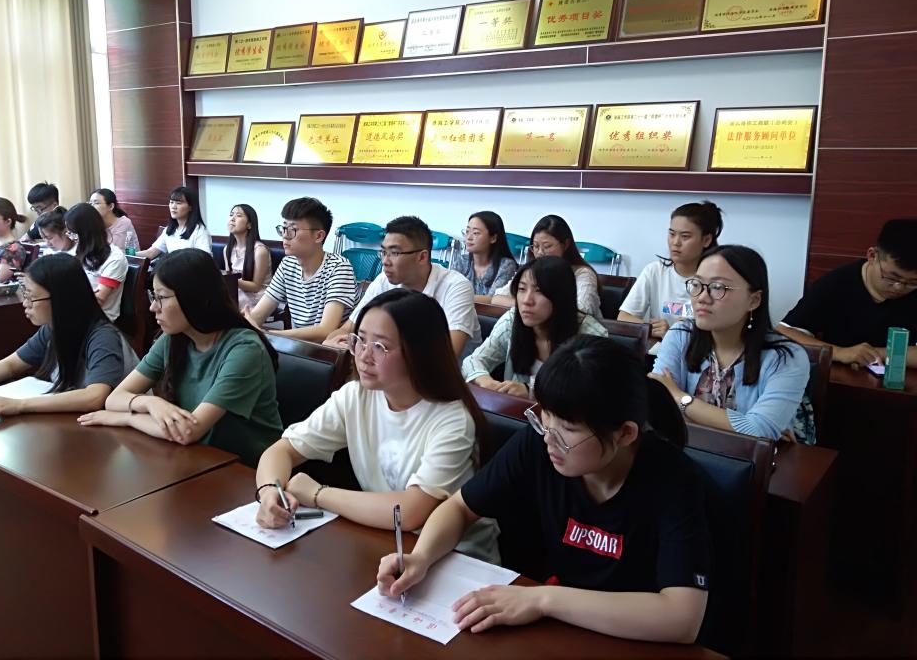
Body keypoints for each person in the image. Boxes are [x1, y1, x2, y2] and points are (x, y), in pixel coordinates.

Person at [377, 335, 710, 644]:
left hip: (632, 638)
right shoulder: (541, 443)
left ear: (624, 434)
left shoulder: (674, 480)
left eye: (567, 429)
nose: (549, 438)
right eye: (545, 418)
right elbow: (460, 507)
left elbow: (682, 617)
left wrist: (542, 599)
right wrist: (421, 557)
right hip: (559, 629)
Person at [255, 289, 497, 560]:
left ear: (419, 353)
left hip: (458, 559)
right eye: (360, 340)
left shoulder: (452, 419)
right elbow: (282, 450)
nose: (364, 356)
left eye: (380, 346)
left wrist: (317, 494)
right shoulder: (356, 395)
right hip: (388, 543)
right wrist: (269, 491)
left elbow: (410, 511)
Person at [81, 249, 282, 466]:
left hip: (245, 471)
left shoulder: (245, 349)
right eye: (153, 296)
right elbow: (114, 399)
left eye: (161, 297)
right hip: (193, 458)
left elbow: (187, 431)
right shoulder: (173, 338)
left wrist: (127, 418)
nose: (153, 307)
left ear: (195, 298)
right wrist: (150, 402)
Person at [0, 254, 138, 420]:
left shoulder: (102, 336)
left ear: (61, 300)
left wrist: (20, 405)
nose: (25, 304)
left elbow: (95, 396)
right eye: (25, 294)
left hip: (123, 427)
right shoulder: (54, 328)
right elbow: (12, 364)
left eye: (31, 297)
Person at [650, 245, 809, 440]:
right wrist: (744, 427)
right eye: (697, 284)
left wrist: (679, 397)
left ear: (754, 300)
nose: (702, 298)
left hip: (746, 459)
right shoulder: (681, 335)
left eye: (718, 287)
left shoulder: (786, 357)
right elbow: (656, 407)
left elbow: (760, 431)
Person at [324, 216, 479, 357]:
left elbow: (448, 355)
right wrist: (331, 343)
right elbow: (347, 328)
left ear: (422, 257)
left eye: (395, 253)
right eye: (383, 252)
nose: (385, 261)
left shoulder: (456, 287)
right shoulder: (384, 280)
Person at [778, 218, 917, 368]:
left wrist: (871, 354)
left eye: (912, 282)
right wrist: (839, 352)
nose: (899, 287)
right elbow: (785, 332)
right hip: (839, 377)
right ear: (872, 256)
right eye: (891, 277)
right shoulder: (837, 283)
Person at [462, 257, 607, 398]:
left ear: (561, 296)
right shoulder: (512, 319)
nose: (527, 300)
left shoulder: (591, 336)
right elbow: (473, 361)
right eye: (522, 289)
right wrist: (486, 381)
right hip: (515, 412)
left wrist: (531, 390)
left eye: (539, 291)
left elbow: (585, 391)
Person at [245, 197, 356, 342]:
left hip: (328, 350)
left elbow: (326, 330)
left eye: (293, 230)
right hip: (298, 347)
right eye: (283, 228)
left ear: (318, 236)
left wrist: (269, 335)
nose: (285, 235)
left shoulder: (339, 268)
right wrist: (245, 322)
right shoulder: (288, 264)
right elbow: (258, 315)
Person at [619, 201, 724, 350]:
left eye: (685, 236)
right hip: (660, 354)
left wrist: (673, 333)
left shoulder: (718, 280)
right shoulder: (655, 271)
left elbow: (722, 334)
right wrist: (651, 327)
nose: (675, 242)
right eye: (672, 234)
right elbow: (624, 317)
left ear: (706, 240)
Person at [493, 214, 602, 321]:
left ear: (565, 244)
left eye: (547, 246)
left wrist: (535, 308)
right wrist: (526, 306)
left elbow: (582, 310)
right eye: (536, 246)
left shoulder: (583, 274)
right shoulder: (529, 272)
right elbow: (497, 298)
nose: (540, 252)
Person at [64, 203, 128, 322]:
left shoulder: (114, 258)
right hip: (72, 312)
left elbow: (97, 300)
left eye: (73, 233)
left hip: (98, 320)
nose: (71, 238)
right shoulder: (75, 251)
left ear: (86, 233)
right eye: (69, 233)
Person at [450, 211, 518, 301]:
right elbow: (449, 291)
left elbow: (494, 300)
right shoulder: (461, 261)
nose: (469, 237)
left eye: (476, 233)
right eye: (467, 231)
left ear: (493, 238)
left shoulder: (506, 265)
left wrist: (460, 297)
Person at [135, 186, 211, 259]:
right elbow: (151, 253)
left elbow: (204, 258)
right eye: (171, 202)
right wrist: (130, 254)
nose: (173, 206)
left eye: (178, 203)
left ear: (190, 207)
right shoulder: (169, 230)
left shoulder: (200, 231)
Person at [222, 203, 271, 311]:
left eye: (238, 215)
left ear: (249, 225)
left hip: (258, 299)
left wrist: (228, 280)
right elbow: (229, 279)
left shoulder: (260, 251)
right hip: (237, 295)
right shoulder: (227, 249)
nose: (232, 218)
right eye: (231, 215)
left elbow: (256, 287)